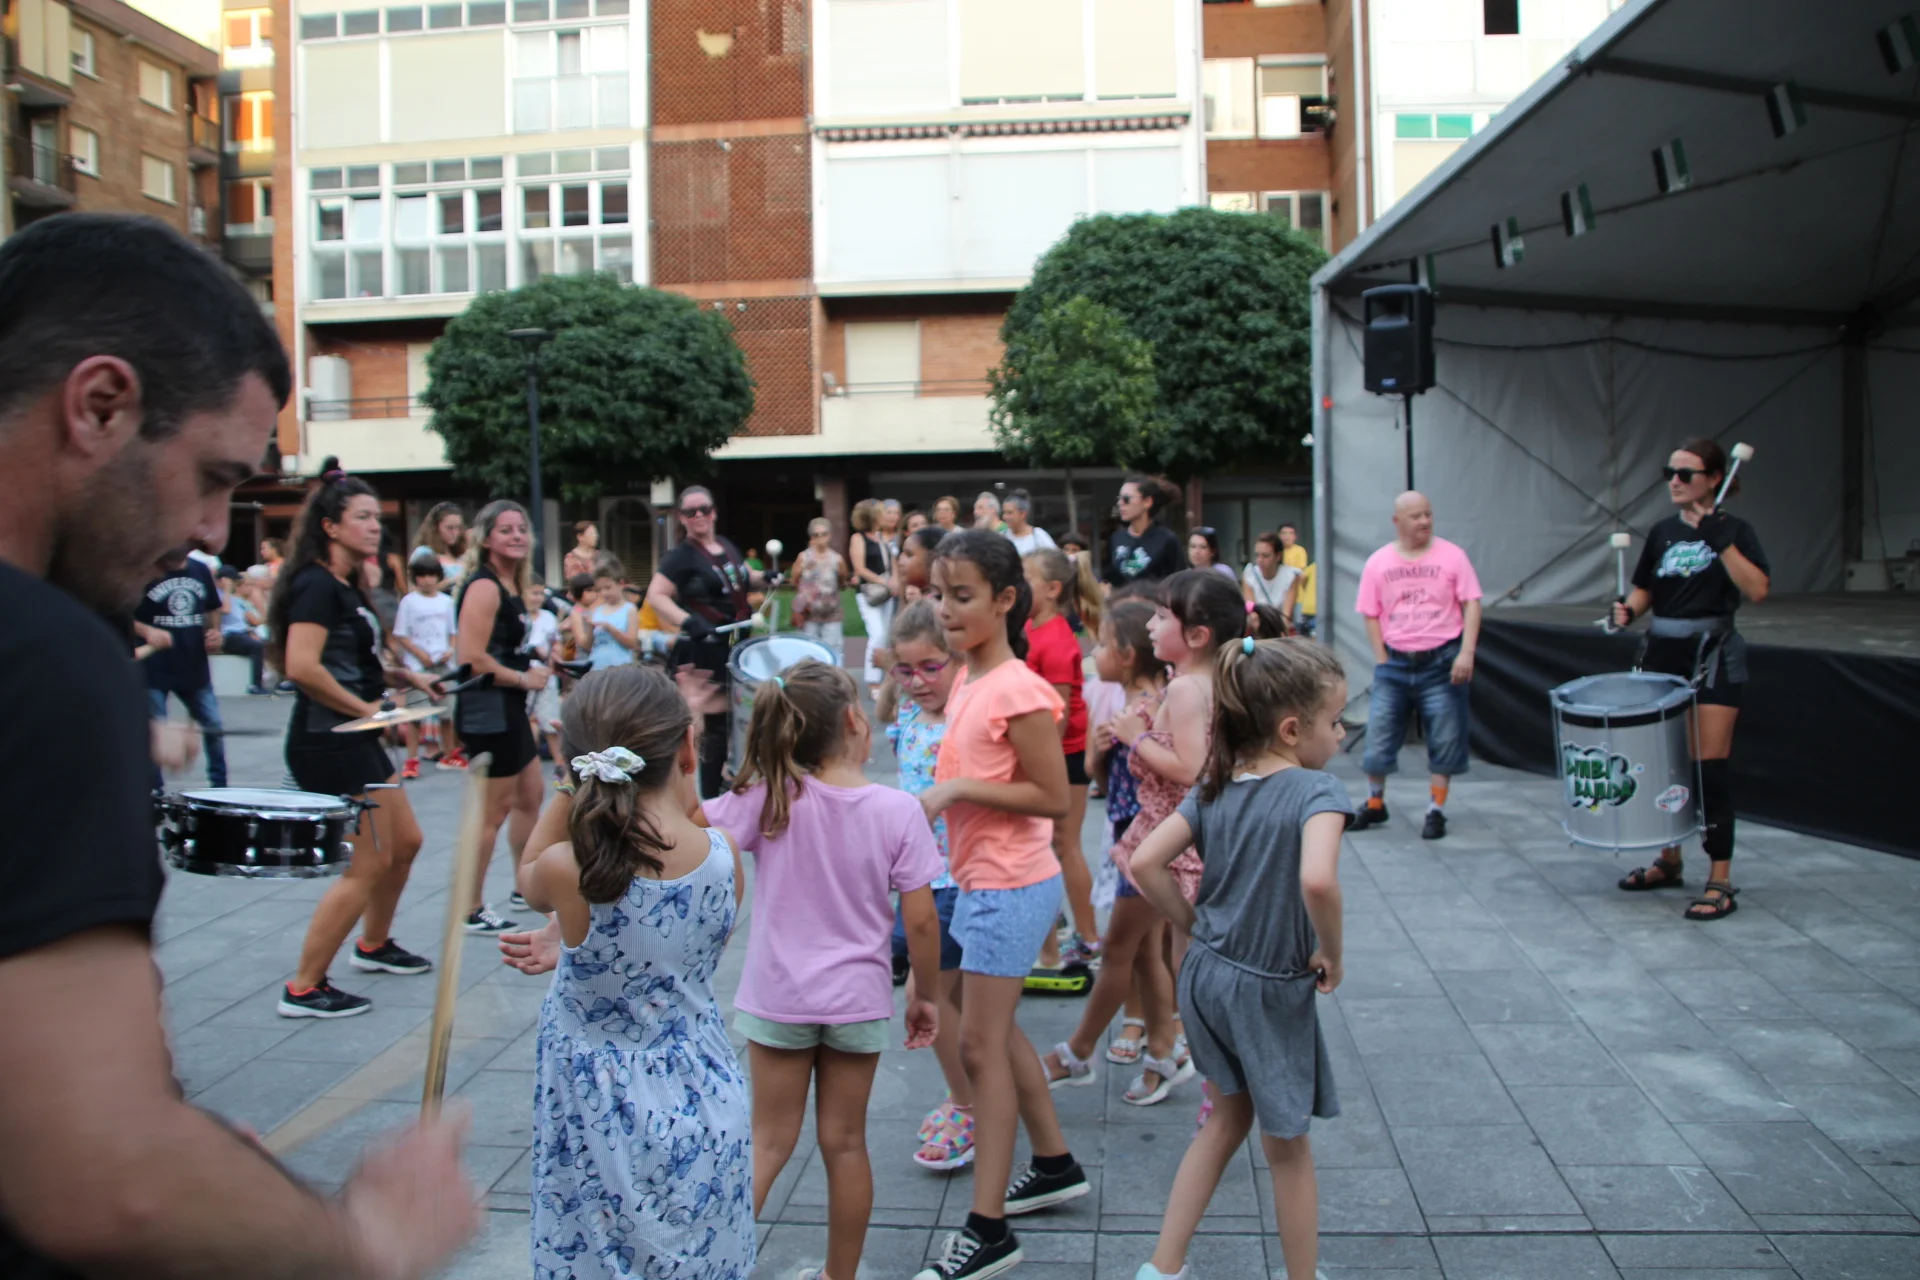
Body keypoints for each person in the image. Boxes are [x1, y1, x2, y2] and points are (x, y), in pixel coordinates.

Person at [0, 209, 477, 1280]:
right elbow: (110, 1173)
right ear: (100, 405)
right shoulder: (44, 655)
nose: (215, 533)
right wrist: (358, 1240)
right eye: (214, 477)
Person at [704, 662, 943, 1280]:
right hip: (857, 1001)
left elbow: (694, 827)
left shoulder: (769, 797)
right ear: (856, 721)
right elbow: (921, 922)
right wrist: (925, 993)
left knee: (767, 1142)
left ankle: (712, 1268)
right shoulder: (898, 810)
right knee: (846, 1144)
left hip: (777, 997)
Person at [516, 664, 756, 1279]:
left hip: (599, 1108)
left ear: (574, 763)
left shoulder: (569, 868)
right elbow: (678, 949)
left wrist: (569, 787)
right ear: (686, 748)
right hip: (704, 1088)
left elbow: (529, 876)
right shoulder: (723, 856)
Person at [1130, 637, 1350, 1280]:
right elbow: (1318, 880)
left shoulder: (1215, 787)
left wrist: (1190, 924)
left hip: (1204, 976)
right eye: (1335, 721)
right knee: (1287, 1147)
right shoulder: (1318, 791)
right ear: (1292, 729)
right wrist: (1331, 952)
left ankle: (1162, 1268)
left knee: (1225, 1118)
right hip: (1266, 990)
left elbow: (1146, 861)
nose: (1340, 735)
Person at [915, 531, 1089, 1280]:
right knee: (993, 1028)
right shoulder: (968, 676)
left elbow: (1052, 797)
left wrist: (955, 789)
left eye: (962, 596)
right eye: (939, 594)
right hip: (982, 880)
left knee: (979, 1047)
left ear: (1005, 599)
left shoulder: (1016, 687)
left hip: (1009, 886)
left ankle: (988, 1231)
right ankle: (1053, 1163)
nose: (946, 610)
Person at [270, 471, 443, 1016]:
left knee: (405, 843)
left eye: (376, 517)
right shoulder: (316, 585)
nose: (374, 526)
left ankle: (373, 944)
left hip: (353, 734)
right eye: (362, 517)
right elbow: (302, 667)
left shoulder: (344, 586)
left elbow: (345, 661)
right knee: (368, 862)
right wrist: (369, 710)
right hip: (328, 739)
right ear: (330, 526)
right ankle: (303, 987)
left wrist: (400, 677)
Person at [1610, 438, 1770, 921]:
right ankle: (1669, 860)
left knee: (1708, 768)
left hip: (1713, 653)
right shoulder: (1662, 532)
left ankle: (1720, 879)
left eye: (1686, 474)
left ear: (1715, 478)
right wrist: (1626, 611)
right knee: (1665, 766)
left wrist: (1720, 540)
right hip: (1663, 652)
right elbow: (1645, 590)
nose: (1674, 482)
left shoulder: (1735, 529)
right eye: (1670, 473)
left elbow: (1757, 589)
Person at [882, 601, 978, 1171]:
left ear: (957, 660)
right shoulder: (910, 714)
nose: (918, 681)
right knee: (950, 996)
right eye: (905, 670)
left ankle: (967, 1105)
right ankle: (971, 1088)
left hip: (957, 877)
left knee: (929, 993)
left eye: (929, 667)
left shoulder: (966, 718)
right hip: (920, 878)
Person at [1351, 491, 1482, 841]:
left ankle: (1435, 809)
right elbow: (1370, 612)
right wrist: (1381, 658)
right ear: (1397, 521)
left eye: (1428, 514)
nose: (1424, 521)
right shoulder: (1379, 562)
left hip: (1441, 660)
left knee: (1445, 735)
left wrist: (1466, 652)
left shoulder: (1452, 556)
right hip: (1395, 661)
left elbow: (1472, 602)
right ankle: (1375, 802)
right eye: (1416, 516)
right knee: (1379, 736)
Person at [454, 499, 550, 933]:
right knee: (490, 813)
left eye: (521, 529)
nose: (516, 536)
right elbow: (470, 657)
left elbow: (502, 646)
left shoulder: (510, 582)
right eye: (506, 529)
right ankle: (469, 907)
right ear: (487, 538)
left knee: (531, 795)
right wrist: (522, 678)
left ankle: (523, 886)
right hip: (487, 711)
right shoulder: (484, 585)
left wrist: (532, 662)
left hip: (507, 706)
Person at [1083, 600, 1168, 1064]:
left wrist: (1135, 739)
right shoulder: (1127, 708)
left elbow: (1175, 778)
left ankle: (1077, 1049)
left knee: (1118, 948)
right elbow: (1106, 784)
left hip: (1146, 846)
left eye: (1102, 645)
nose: (1094, 654)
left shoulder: (1154, 711)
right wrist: (1098, 756)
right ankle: (1165, 1048)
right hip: (1126, 840)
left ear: (1128, 656)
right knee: (1144, 952)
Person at [647, 485, 768, 797]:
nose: (698, 515)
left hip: (735, 645)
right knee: (713, 730)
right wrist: (688, 621)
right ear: (682, 517)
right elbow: (656, 595)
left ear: (714, 512)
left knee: (737, 723)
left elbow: (740, 577)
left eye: (704, 509)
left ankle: (731, 788)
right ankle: (711, 800)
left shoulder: (726, 546)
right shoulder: (680, 556)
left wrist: (764, 578)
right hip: (705, 649)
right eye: (691, 511)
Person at [1022, 548, 1103, 970]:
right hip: (1046, 751)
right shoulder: (1029, 626)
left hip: (1064, 753)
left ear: (1052, 589)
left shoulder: (1055, 639)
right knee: (1048, 844)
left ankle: (1089, 939)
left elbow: (1058, 714)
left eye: (1026, 581)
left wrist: (1039, 766)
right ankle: (1061, 931)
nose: (1017, 588)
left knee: (1064, 843)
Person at [138, 545, 229, 789]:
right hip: (155, 666)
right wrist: (147, 631)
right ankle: (155, 791)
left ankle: (220, 786)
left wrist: (215, 632)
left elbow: (212, 607)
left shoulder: (200, 570)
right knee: (157, 731)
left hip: (193, 664)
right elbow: (124, 613)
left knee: (213, 726)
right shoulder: (146, 570)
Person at [391, 554, 458, 781]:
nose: (427, 580)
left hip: (443, 662)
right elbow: (401, 634)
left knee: (447, 712)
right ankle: (411, 759)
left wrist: (450, 650)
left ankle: (450, 754)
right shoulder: (409, 602)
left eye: (431, 575)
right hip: (418, 666)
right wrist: (420, 655)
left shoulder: (446, 602)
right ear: (415, 578)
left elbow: (453, 632)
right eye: (422, 576)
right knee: (416, 714)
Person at [1102, 475, 1185, 588]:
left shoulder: (1167, 539)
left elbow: (1179, 582)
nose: (1120, 503)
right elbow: (1109, 577)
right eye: (1119, 498)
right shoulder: (1116, 537)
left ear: (1147, 502)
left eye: (1126, 499)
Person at [849, 498, 897, 686]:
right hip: (869, 593)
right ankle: (872, 680)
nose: (885, 514)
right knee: (877, 634)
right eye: (881, 511)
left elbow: (891, 564)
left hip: (886, 593)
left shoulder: (882, 538)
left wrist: (894, 582)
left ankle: (883, 678)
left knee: (885, 635)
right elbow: (859, 568)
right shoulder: (858, 538)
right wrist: (884, 581)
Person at [792, 516, 850, 661]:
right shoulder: (803, 557)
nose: (820, 538)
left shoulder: (837, 559)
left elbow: (842, 581)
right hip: (809, 614)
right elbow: (795, 581)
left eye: (824, 534)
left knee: (832, 652)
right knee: (808, 653)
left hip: (831, 614)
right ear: (811, 537)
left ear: (829, 535)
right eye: (816, 535)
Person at [214, 562, 270, 693]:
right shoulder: (217, 595)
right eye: (232, 581)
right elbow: (225, 610)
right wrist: (226, 590)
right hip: (228, 634)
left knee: (265, 644)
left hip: (242, 632)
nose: (235, 584)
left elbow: (253, 620)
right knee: (256, 647)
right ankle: (256, 685)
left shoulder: (236, 599)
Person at [579, 562, 640, 671]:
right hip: (597, 666)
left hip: (621, 666)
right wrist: (589, 628)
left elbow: (632, 643)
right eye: (599, 590)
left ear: (621, 584)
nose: (604, 593)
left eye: (608, 588)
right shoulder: (596, 611)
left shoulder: (629, 609)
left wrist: (610, 628)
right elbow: (587, 646)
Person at [1243, 530, 1301, 618]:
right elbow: (1251, 611)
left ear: (1278, 556)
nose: (1260, 560)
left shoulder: (1291, 576)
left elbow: (1286, 615)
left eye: (1265, 556)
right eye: (1257, 555)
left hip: (1279, 623)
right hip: (1258, 623)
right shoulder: (1250, 574)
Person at [1279, 523, 1316, 637]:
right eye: (1284, 533)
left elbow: (1301, 574)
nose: (1287, 536)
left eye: (1290, 533)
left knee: (1299, 626)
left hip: (1298, 596)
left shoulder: (1299, 551)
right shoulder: (1278, 552)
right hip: (1280, 596)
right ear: (1279, 536)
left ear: (1295, 536)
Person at [1002, 490, 1056, 556]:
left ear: (1023, 514)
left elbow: (1055, 559)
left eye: (1009, 513)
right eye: (1004, 512)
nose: (1005, 517)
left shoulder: (1038, 536)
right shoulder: (1002, 537)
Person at [561, 519, 599, 583]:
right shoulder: (571, 557)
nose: (596, 536)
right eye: (591, 533)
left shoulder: (600, 555)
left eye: (596, 533)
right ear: (580, 537)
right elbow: (574, 580)